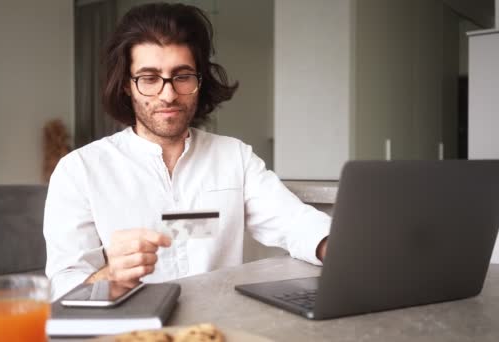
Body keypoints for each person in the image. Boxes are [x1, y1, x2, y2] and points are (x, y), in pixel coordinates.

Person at [44, 2, 330, 300]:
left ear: (199, 80)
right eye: (149, 78)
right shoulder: (79, 170)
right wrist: (108, 278)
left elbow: (295, 222)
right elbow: (63, 285)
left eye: (182, 77)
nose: (168, 95)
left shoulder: (235, 157)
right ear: (127, 86)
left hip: (222, 326)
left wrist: (335, 246)